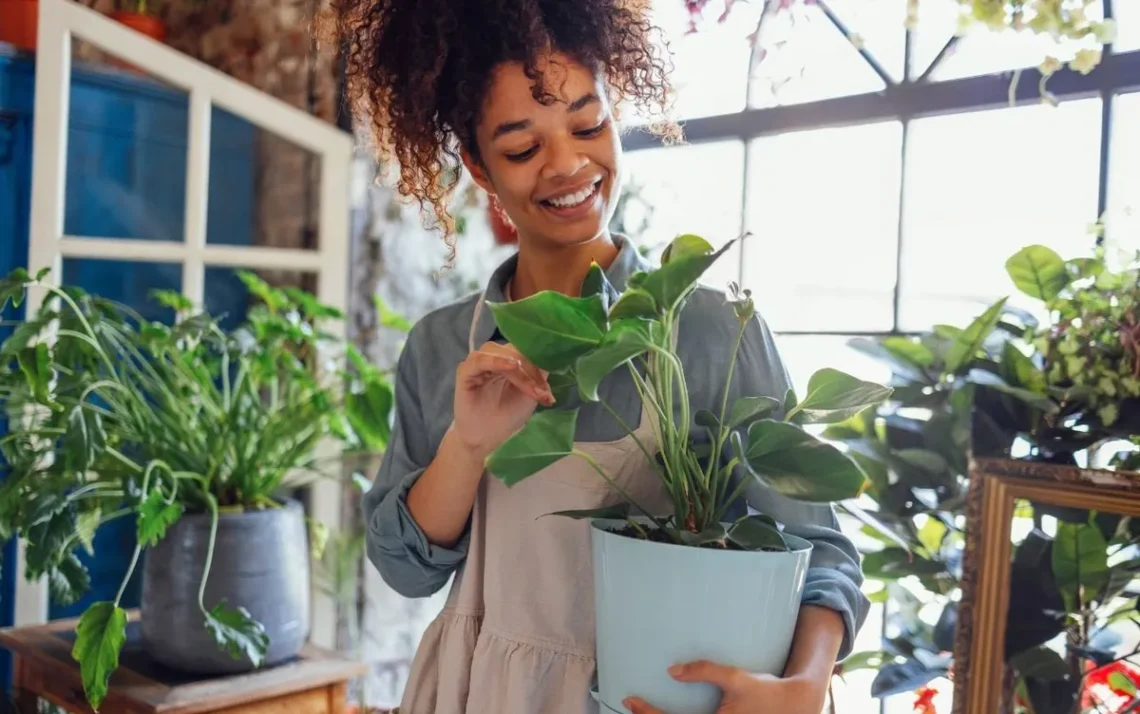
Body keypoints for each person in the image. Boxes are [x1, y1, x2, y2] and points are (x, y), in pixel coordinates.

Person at [333, 0, 869, 712]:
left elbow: (821, 552)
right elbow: (404, 570)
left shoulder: (709, 329)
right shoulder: (444, 347)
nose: (568, 164)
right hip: (478, 690)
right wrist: (468, 445)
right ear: (480, 169)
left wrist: (800, 688)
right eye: (522, 148)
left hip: (658, 697)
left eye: (589, 124)